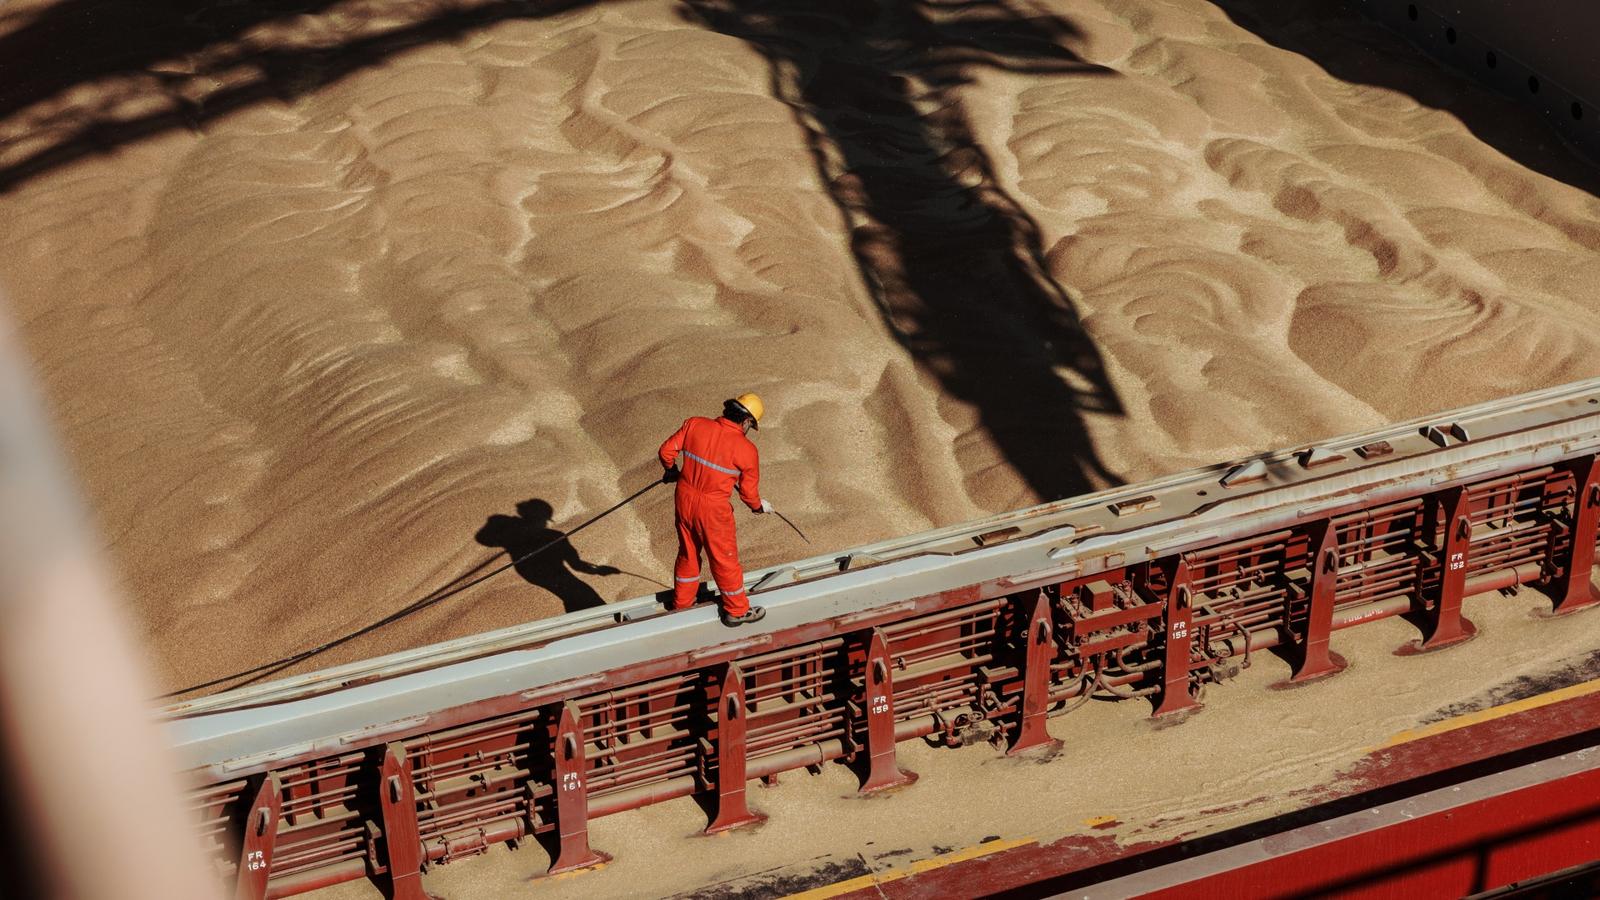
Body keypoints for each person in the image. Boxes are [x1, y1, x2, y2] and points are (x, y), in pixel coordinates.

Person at [658, 393, 773, 626]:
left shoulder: (695, 424)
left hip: (684, 497)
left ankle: (682, 604)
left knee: (688, 552)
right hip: (713, 509)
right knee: (724, 558)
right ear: (747, 421)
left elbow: (666, 451)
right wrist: (759, 507)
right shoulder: (746, 449)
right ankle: (737, 611)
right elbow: (749, 495)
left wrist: (672, 471)